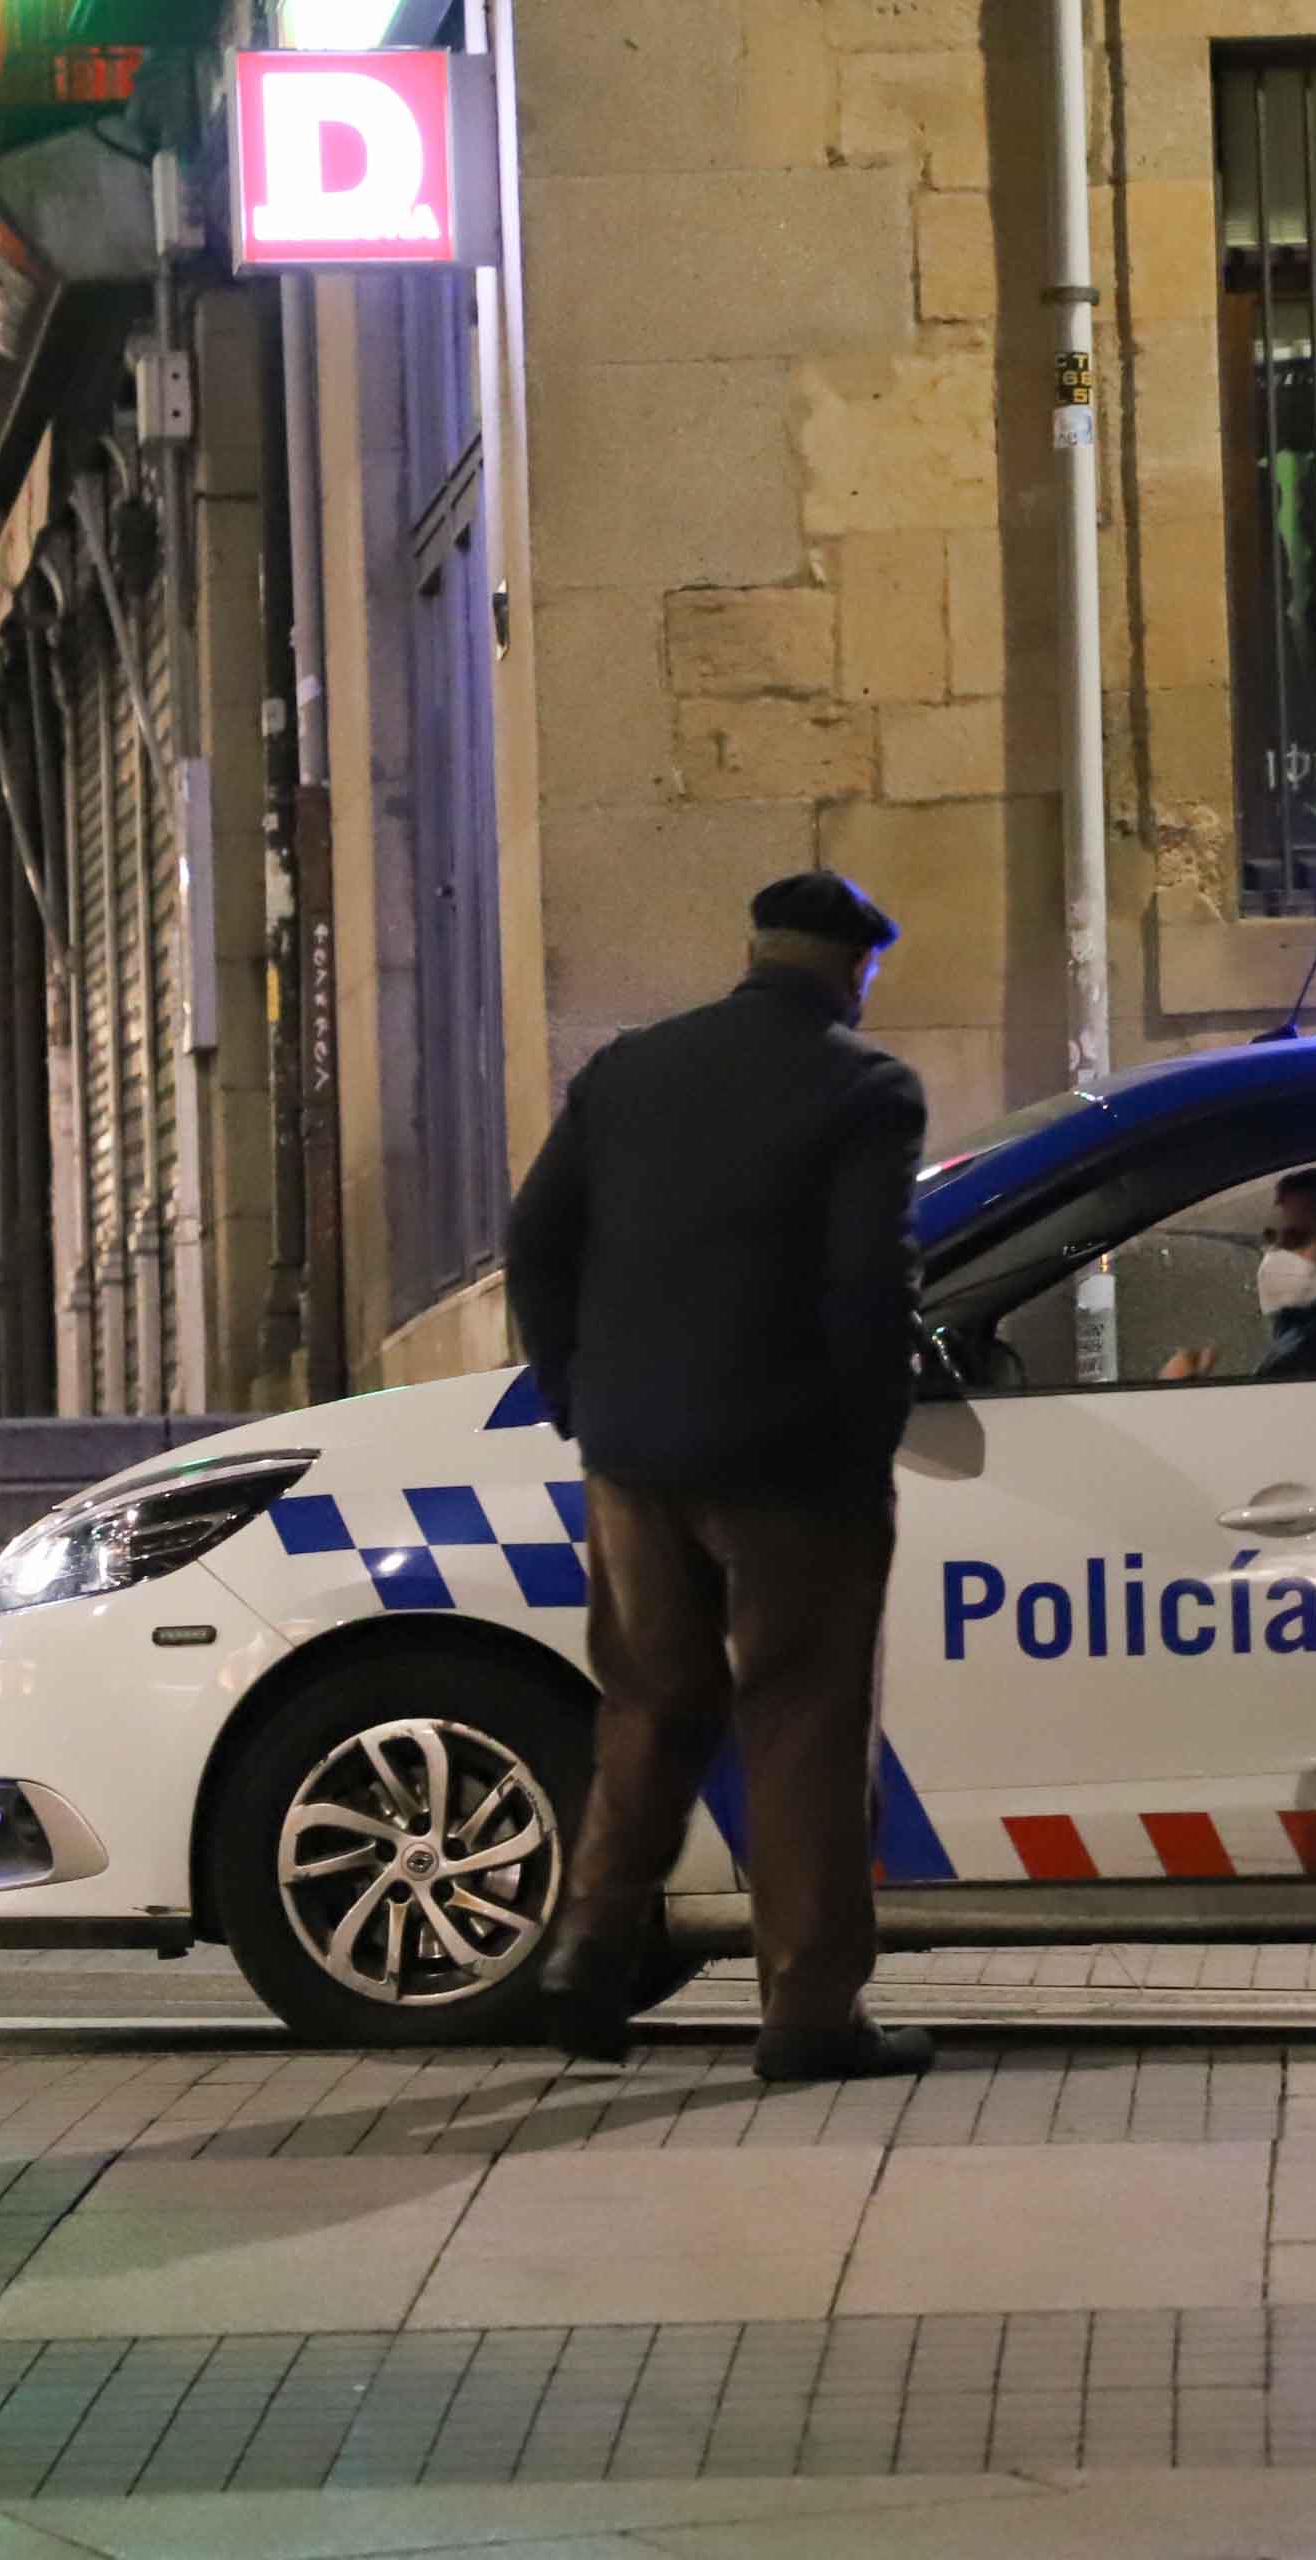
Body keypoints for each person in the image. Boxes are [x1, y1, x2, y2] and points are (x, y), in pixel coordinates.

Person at [504, 870, 934, 2084]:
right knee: (800, 1722)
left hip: (633, 1461)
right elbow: (868, 1285)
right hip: (794, 1467)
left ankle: (587, 1957)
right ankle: (806, 2014)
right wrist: (866, 1436)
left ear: (752, 948)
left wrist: (576, 1393)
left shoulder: (626, 1071)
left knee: (646, 1700)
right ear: (854, 969)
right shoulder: (863, 1086)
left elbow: (534, 1240)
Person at [1162, 1159, 1316, 1383]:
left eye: (1297, 1239)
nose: (1274, 1253)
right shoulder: (1303, 1330)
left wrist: (1177, 1391)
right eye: (1271, 1237)